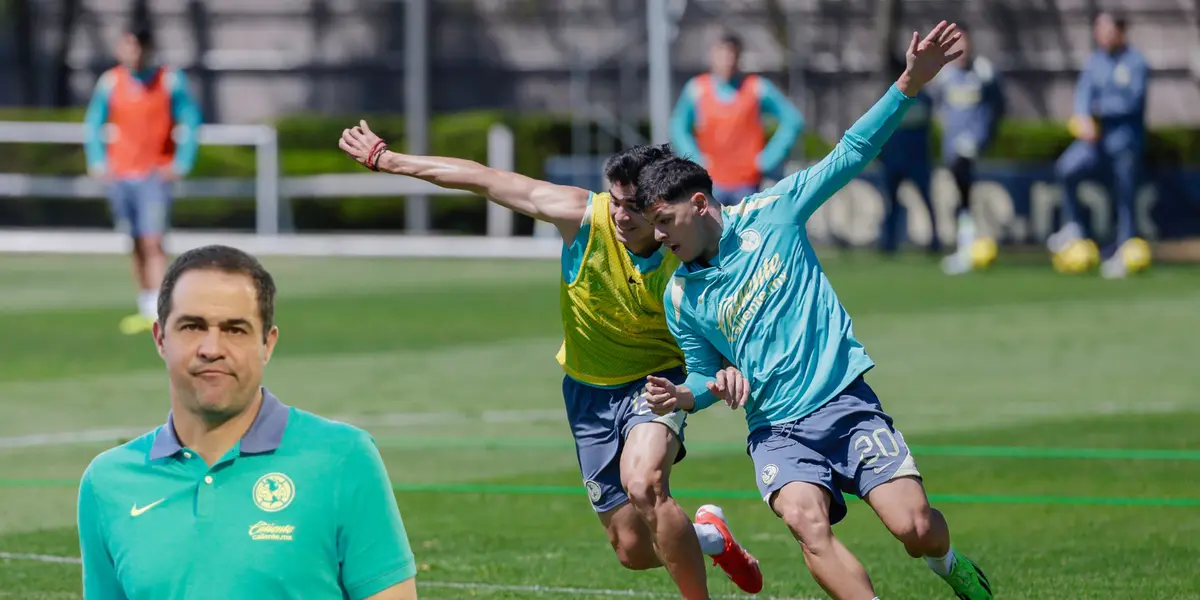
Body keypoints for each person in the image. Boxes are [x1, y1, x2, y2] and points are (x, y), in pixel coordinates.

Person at [633, 21, 994, 600]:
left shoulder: (775, 213)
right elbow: (705, 374)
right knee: (807, 522)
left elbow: (851, 151)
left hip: (845, 404)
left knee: (915, 527)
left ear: (698, 205)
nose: (661, 239)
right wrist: (689, 395)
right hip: (776, 430)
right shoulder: (682, 296)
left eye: (666, 224)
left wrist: (908, 83)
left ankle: (949, 565)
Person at [335, 134, 762, 599]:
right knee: (632, 549)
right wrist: (388, 159)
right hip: (588, 393)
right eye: (615, 201)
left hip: (657, 382)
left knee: (644, 484)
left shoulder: (685, 244)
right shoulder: (582, 216)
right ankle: (709, 537)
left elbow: (734, 306)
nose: (619, 215)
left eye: (632, 206)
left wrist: (728, 367)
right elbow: (485, 179)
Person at [77, 245, 419, 600]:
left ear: (267, 344)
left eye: (235, 330)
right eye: (192, 326)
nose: (212, 348)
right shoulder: (108, 483)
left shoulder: (342, 458)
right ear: (161, 339)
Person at [83, 21, 202, 335]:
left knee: (153, 241)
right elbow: (93, 122)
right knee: (134, 240)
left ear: (147, 48)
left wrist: (182, 161)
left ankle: (161, 311)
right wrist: (97, 159)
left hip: (154, 174)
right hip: (121, 174)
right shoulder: (111, 81)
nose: (130, 52)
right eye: (125, 46)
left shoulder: (168, 81)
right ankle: (145, 304)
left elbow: (190, 120)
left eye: (135, 46)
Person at [1049, 10, 1149, 279]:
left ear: (1120, 31)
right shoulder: (1094, 61)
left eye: (1105, 29)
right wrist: (1083, 117)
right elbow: (1083, 93)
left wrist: (1098, 111)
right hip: (1094, 143)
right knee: (1067, 168)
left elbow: (1132, 102)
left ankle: (1124, 249)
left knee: (1124, 196)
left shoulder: (1136, 62)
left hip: (1123, 142)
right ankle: (1075, 227)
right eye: (1098, 29)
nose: (1100, 35)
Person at [670, 30, 805, 207]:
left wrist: (769, 157)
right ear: (712, 55)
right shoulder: (697, 89)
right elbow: (678, 127)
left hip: (747, 182)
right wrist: (695, 158)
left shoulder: (756, 88)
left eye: (731, 53)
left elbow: (793, 120)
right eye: (722, 53)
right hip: (711, 182)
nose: (727, 60)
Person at [929, 24, 1006, 275]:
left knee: (965, 193)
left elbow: (999, 105)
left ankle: (967, 248)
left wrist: (986, 135)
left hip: (974, 147)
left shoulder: (983, 72)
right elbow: (936, 105)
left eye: (963, 41)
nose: (960, 46)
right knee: (960, 196)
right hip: (952, 147)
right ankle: (967, 245)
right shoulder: (944, 75)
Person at [876, 52, 939, 255]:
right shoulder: (890, 96)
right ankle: (889, 242)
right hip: (893, 159)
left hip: (917, 159)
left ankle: (935, 240)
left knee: (927, 201)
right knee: (891, 203)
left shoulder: (922, 97)